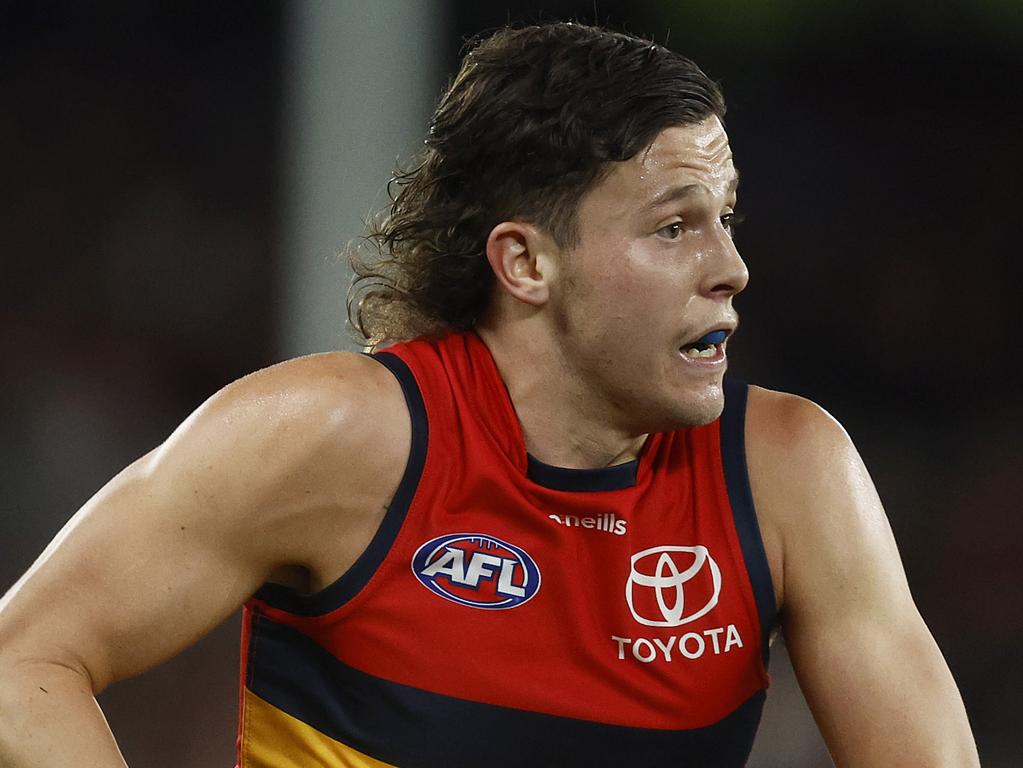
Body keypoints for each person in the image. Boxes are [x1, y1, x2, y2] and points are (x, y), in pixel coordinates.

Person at [0, 22, 978, 768]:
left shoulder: (789, 476)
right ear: (525, 262)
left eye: (723, 219)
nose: (731, 268)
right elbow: (22, 666)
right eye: (674, 227)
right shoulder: (336, 438)